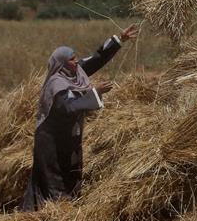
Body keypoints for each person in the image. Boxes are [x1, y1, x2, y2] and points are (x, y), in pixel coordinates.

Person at [20, 24, 139, 211]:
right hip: (50, 142)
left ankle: (66, 209)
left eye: (76, 58)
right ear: (62, 64)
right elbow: (69, 106)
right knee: (54, 179)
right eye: (72, 59)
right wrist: (95, 93)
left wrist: (120, 39)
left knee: (72, 174)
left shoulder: (76, 73)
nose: (76, 61)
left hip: (69, 137)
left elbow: (97, 59)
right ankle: (52, 216)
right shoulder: (56, 85)